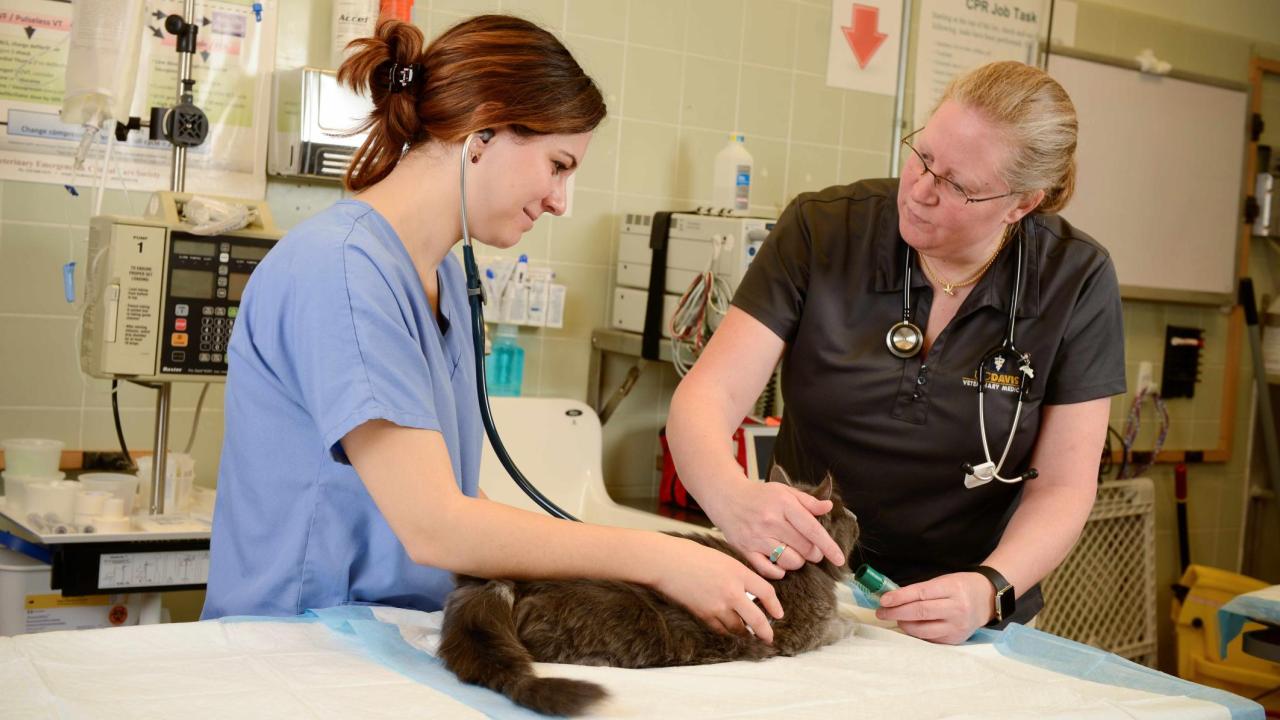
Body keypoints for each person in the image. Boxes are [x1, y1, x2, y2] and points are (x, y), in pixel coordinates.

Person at [202, 15, 788, 642]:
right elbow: (436, 525)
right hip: (298, 644)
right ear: (482, 130)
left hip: (387, 637)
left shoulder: (444, 279)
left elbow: (462, 505)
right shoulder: (341, 270)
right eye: (558, 164)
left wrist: (646, 570)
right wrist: (660, 558)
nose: (562, 200)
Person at [667, 61, 1125, 645]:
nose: (921, 189)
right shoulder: (824, 230)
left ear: (1021, 204)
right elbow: (710, 393)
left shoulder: (1075, 278)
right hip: (799, 587)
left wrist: (989, 589)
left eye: (958, 185)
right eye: (923, 154)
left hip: (964, 614)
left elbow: (1064, 484)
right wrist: (732, 497)